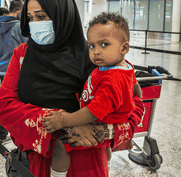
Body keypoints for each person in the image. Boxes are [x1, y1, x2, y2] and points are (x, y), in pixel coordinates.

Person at [0, 0, 144, 177]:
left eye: (41, 17)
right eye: (30, 18)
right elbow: (5, 106)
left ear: (63, 16)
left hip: (88, 162)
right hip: (38, 157)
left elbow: (134, 106)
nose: (34, 24)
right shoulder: (23, 55)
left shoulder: (96, 57)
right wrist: (61, 124)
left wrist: (104, 132)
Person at [43, 12, 142, 175]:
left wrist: (63, 120)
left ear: (124, 48)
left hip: (101, 124)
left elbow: (92, 113)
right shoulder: (119, 66)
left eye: (104, 45)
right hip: (109, 120)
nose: (96, 51)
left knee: (61, 145)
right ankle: (106, 161)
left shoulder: (113, 79)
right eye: (91, 45)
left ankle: (57, 175)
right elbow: (135, 84)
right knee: (103, 149)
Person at [0, 0, 28, 143]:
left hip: (2, 71)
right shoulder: (20, 27)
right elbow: (28, 48)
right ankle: (21, 136)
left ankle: (0, 135)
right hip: (19, 71)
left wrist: (1, 58)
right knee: (22, 103)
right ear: (19, 11)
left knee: (5, 102)